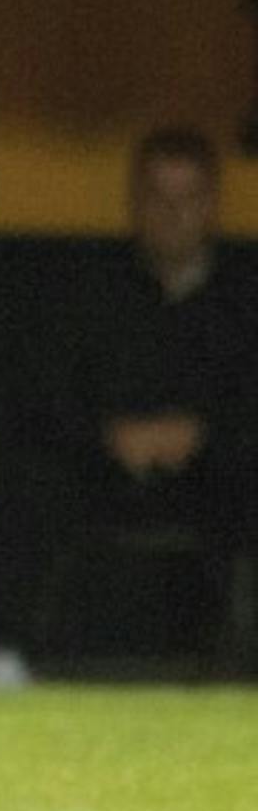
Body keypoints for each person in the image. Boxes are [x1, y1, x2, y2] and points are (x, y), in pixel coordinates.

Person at [26, 127, 255, 665]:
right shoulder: (93, 295)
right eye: (158, 197)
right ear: (135, 202)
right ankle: (7, 656)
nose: (173, 214)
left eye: (189, 198)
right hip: (106, 473)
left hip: (217, 480)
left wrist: (203, 435)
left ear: (213, 205)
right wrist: (110, 437)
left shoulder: (244, 299)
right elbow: (51, 401)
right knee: (30, 483)